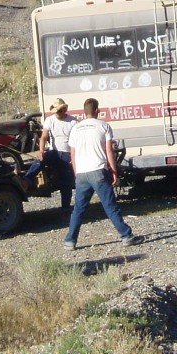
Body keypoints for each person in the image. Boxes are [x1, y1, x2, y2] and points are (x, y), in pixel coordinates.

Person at [64, 98, 143, 251]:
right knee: (110, 206)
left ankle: (70, 240)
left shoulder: (75, 129)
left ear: (83, 112)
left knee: (79, 208)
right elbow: (109, 151)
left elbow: (72, 155)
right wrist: (114, 171)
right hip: (98, 170)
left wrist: (76, 172)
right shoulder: (104, 126)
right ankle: (126, 236)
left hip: (81, 172)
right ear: (97, 111)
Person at [22, 98, 76, 216]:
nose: (58, 113)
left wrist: (74, 157)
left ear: (64, 110)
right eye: (56, 111)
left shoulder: (73, 122)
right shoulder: (50, 120)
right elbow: (44, 136)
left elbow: (76, 141)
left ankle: (65, 209)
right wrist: (41, 151)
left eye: (60, 111)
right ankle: (26, 180)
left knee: (66, 182)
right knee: (40, 159)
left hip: (67, 153)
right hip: (55, 151)